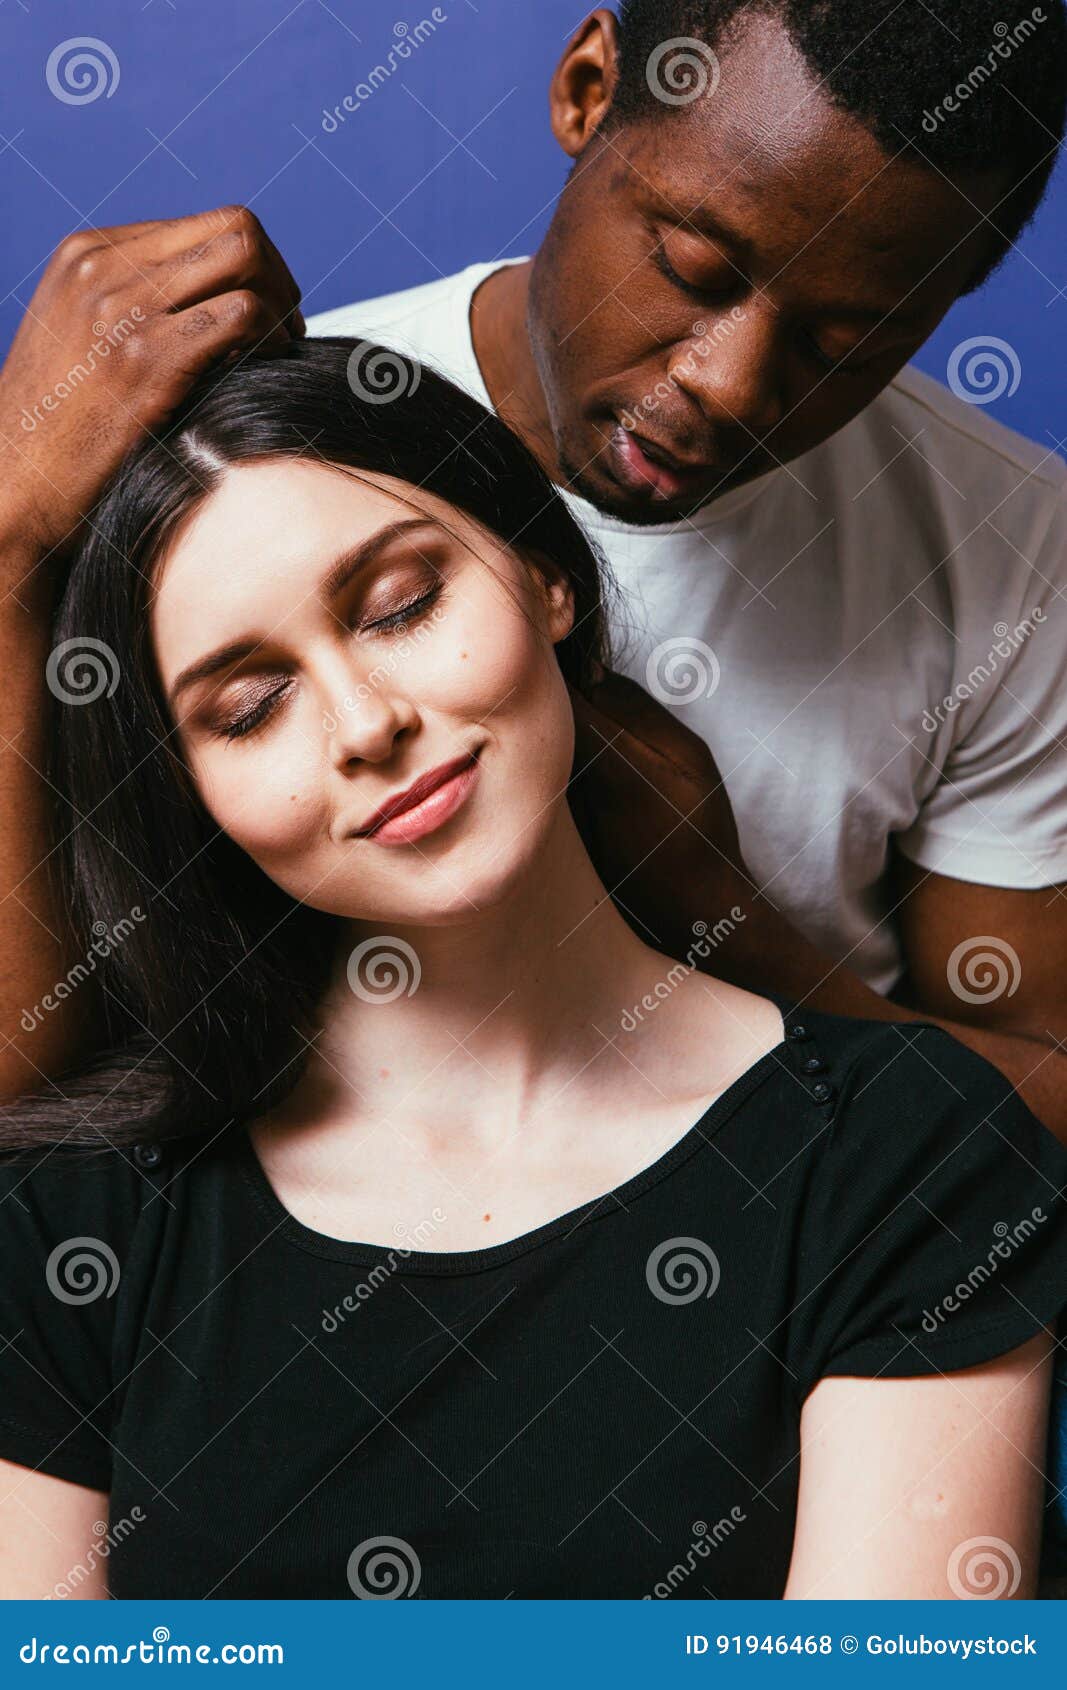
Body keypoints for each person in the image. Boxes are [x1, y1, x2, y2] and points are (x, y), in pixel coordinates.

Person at [0, 342, 1065, 1600]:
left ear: (545, 578)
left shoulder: (908, 1153)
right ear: (195, 795)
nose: (365, 723)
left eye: (400, 605)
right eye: (247, 707)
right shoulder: (74, 1223)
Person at [304, 0, 1067, 1139]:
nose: (730, 384)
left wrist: (719, 919)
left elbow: (1041, 1104)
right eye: (692, 265)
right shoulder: (266, 455)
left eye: (843, 342)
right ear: (587, 87)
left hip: (792, 1248)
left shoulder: (1010, 546)